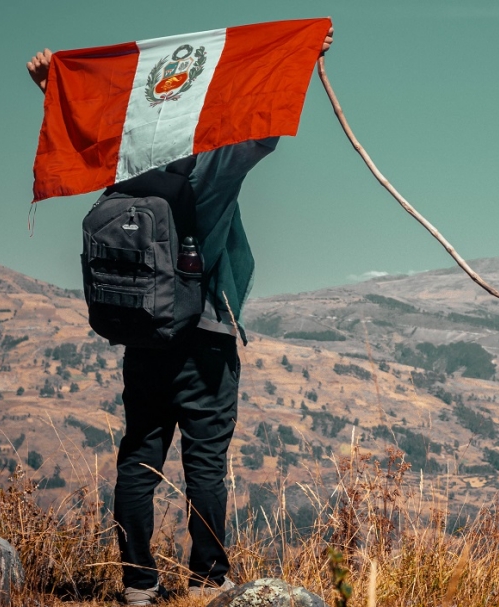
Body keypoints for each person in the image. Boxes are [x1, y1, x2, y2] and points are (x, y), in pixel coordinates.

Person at [27, 27, 333, 605]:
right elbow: (262, 132)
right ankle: (206, 579)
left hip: (143, 339)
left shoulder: (124, 169)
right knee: (206, 467)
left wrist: (51, 84)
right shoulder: (208, 172)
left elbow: (85, 125)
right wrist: (299, 55)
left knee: (139, 459)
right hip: (205, 341)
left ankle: (138, 583)